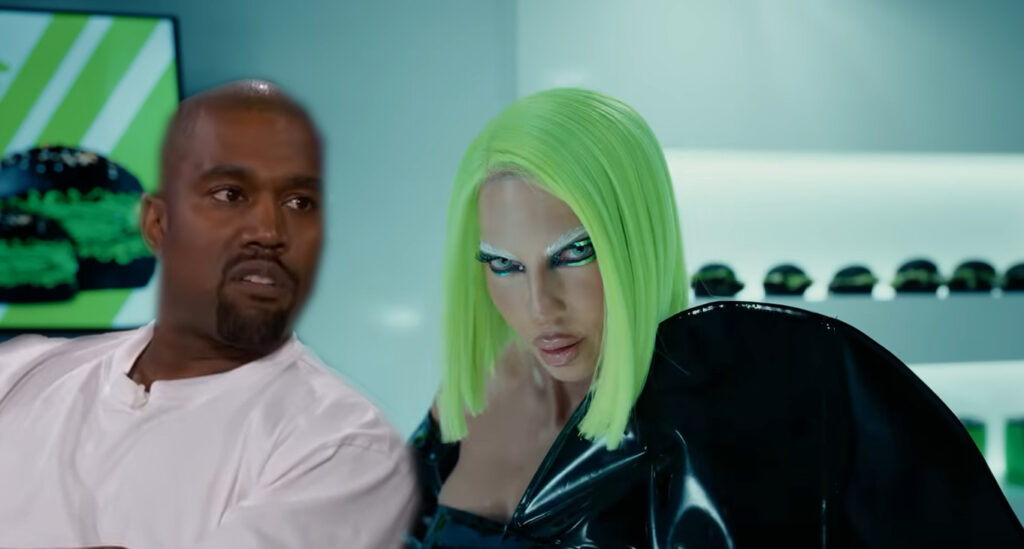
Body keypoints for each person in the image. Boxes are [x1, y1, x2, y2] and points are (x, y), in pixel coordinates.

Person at [407, 88, 1024, 547]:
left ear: (636, 241)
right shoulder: (467, 404)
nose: (539, 306)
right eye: (503, 265)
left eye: (574, 253)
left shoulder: (760, 400)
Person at [0, 80, 415, 549]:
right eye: (229, 194)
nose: (269, 231)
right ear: (158, 224)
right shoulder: (21, 375)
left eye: (299, 202)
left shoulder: (341, 445)